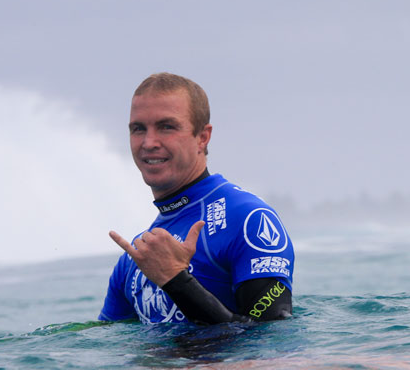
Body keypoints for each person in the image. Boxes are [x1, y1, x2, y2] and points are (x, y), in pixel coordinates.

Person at [99, 73, 294, 325]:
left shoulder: (247, 219)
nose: (148, 143)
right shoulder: (136, 257)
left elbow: (273, 338)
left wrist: (175, 280)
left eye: (166, 127)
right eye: (138, 129)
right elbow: (107, 346)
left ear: (202, 137)